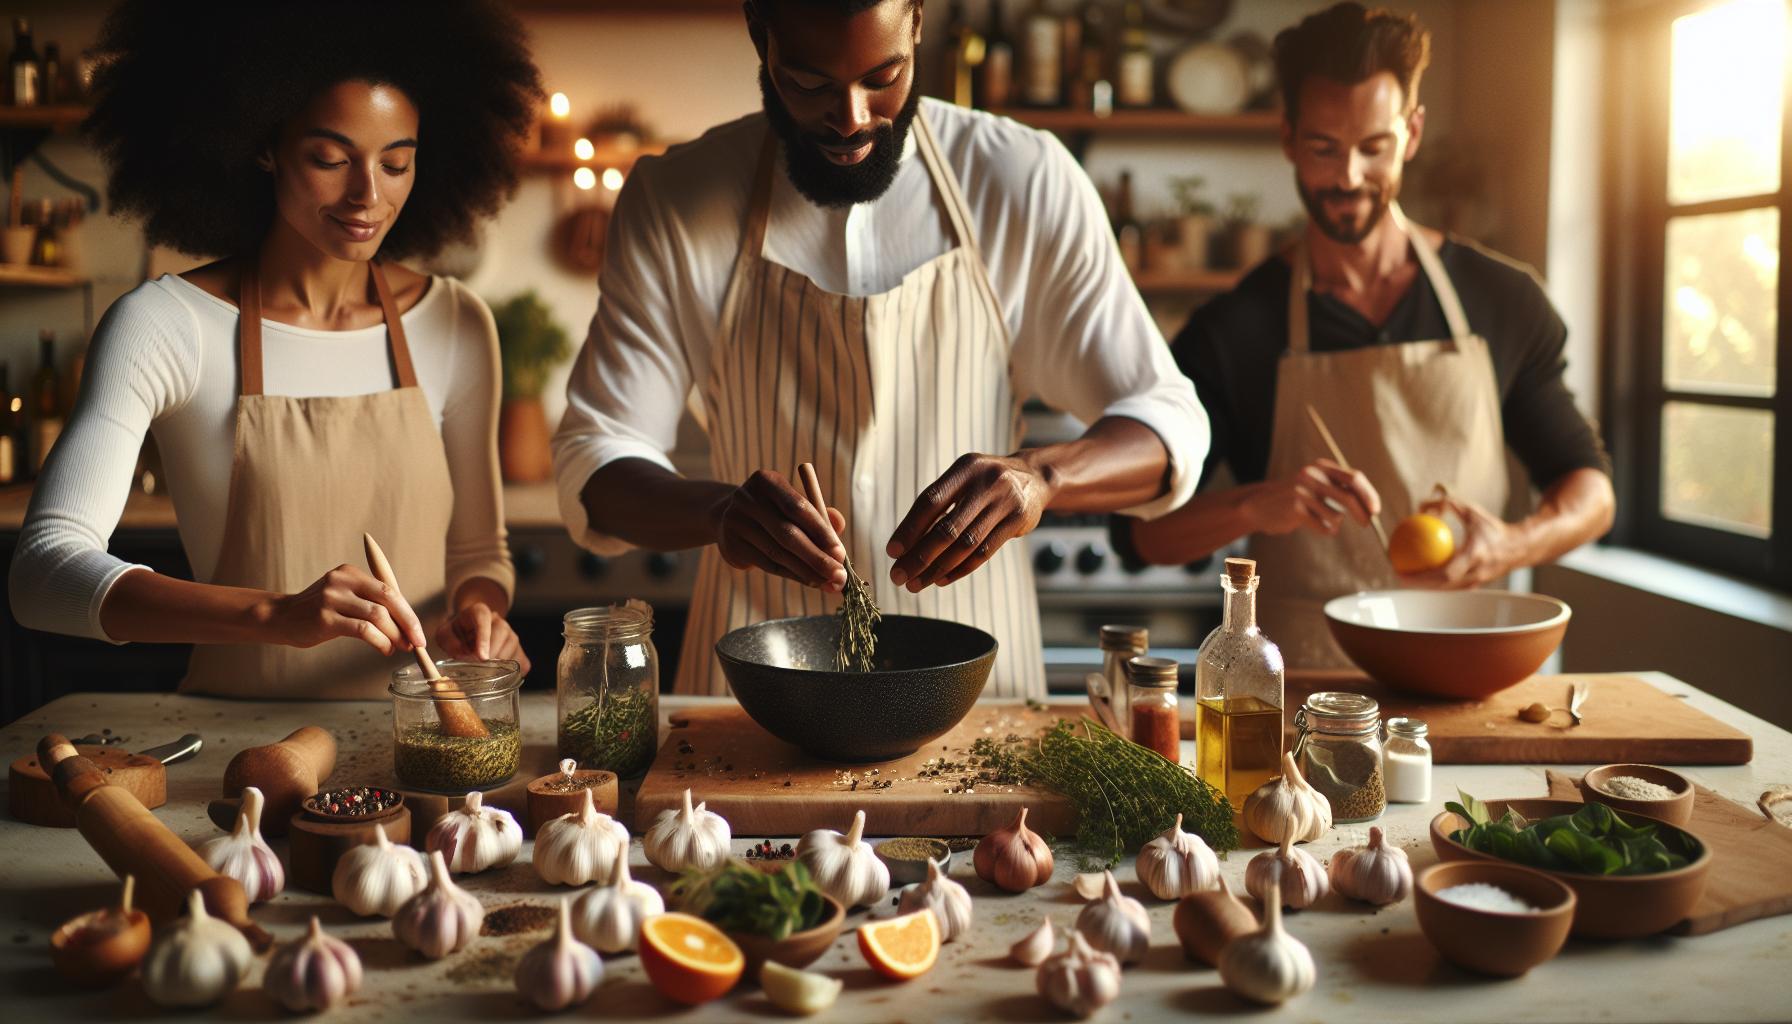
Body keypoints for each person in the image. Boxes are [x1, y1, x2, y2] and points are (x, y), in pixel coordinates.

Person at [553, 0, 1208, 696]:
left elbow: (1169, 424)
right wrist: (719, 514)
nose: (852, 118)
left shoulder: (1023, 178)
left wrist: (1041, 477)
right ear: (760, 37)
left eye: (884, 76)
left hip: (982, 703)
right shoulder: (673, 198)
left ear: (919, 22)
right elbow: (596, 457)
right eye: (810, 83)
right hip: (750, 702)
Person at [9, 0, 543, 697]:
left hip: (417, 740)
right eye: (330, 158)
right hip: (234, 745)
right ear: (264, 145)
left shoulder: (454, 321)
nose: (367, 194)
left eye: (396, 163)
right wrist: (274, 615)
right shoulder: (166, 326)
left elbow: (477, 551)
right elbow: (42, 575)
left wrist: (481, 611)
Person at [1117, 2, 1614, 667]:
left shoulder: (1501, 298)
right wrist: (1254, 505)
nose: (1348, 177)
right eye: (1324, 148)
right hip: (1309, 690)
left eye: (1373, 147)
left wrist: (1512, 545)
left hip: (1474, 673)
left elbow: (1591, 490)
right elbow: (1141, 538)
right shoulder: (1234, 330)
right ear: (1288, 137)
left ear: (1412, 133)